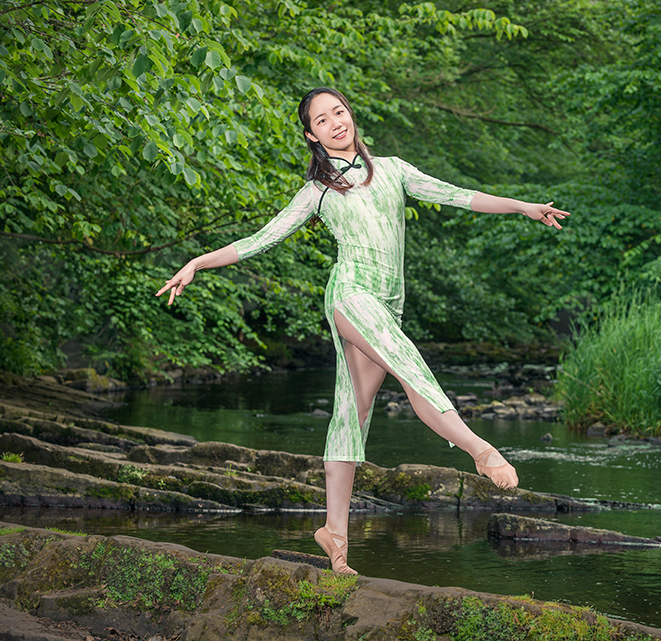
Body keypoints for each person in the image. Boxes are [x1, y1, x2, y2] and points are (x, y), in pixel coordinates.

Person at [156, 87, 570, 575]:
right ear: (312, 135)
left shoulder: (393, 169)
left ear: (350, 117)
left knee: (354, 410)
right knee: (409, 364)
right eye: (322, 119)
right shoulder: (319, 190)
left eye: (340, 112)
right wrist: (197, 263)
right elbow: (260, 239)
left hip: (388, 306)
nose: (335, 122)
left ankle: (334, 535)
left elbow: (459, 196)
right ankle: (480, 449)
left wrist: (523, 206)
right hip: (350, 295)